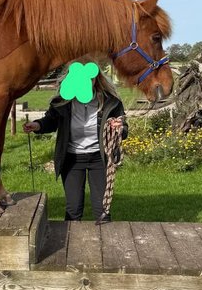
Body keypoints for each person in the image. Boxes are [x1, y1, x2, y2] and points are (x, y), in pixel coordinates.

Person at [24, 62, 127, 222]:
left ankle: (104, 236)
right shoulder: (63, 102)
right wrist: (37, 125)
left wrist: (119, 128)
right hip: (72, 159)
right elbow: (51, 121)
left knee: (103, 210)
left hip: (100, 159)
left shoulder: (111, 102)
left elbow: (124, 129)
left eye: (89, 78)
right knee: (73, 209)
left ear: (96, 78)